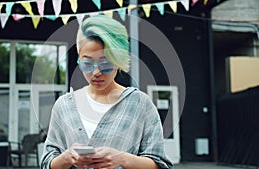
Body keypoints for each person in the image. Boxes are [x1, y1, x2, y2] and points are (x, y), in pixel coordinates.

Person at [40, 15, 173, 169]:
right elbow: (47, 163)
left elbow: (160, 164)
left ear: (118, 60)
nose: (96, 72)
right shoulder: (64, 105)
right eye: (87, 63)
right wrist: (67, 157)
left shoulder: (140, 104)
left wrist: (122, 159)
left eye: (106, 64)